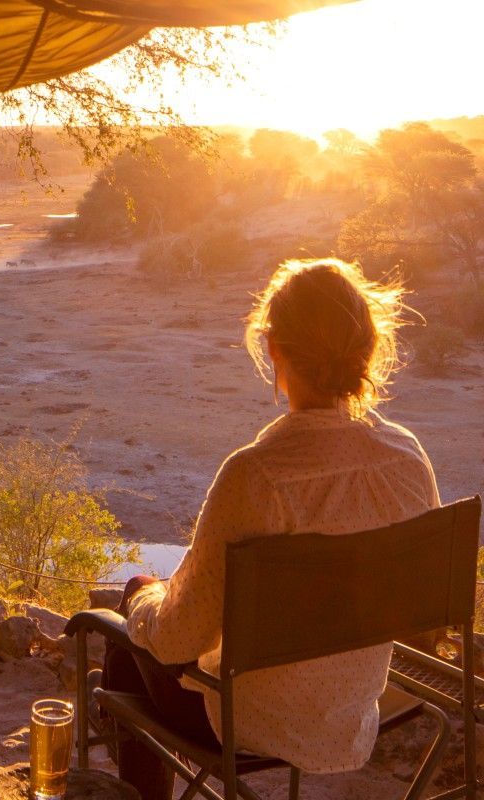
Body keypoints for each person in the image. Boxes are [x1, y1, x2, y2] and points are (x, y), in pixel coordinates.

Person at [102, 257, 439, 800]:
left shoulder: (256, 475)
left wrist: (142, 601)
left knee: (124, 642)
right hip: (355, 709)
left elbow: (178, 639)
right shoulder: (407, 459)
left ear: (276, 350)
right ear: (367, 349)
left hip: (247, 720)